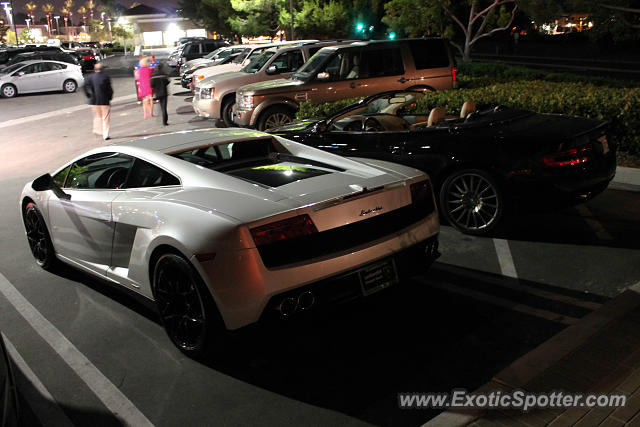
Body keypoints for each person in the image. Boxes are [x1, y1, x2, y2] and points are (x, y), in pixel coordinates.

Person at [84, 62, 113, 140]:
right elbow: (109, 89)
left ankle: (97, 130)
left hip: (93, 100)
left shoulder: (90, 77)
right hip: (104, 100)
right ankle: (105, 134)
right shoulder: (106, 77)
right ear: (102, 69)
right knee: (105, 117)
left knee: (97, 116)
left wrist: (88, 95)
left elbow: (85, 86)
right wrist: (110, 98)